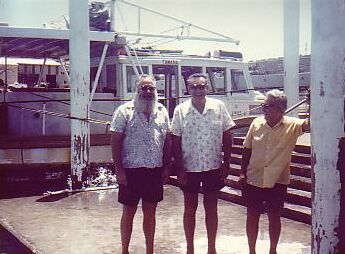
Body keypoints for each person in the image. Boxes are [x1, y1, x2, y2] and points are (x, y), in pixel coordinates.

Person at [171, 73, 235, 254]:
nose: (198, 90)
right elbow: (175, 139)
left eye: (202, 86)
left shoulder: (219, 107)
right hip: (189, 167)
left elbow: (227, 135)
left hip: (213, 166)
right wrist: (179, 168)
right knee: (189, 209)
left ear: (207, 88)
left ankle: (211, 248)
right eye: (194, 87)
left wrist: (226, 162)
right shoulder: (181, 110)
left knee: (211, 208)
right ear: (188, 89)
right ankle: (190, 248)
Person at [240, 89, 309, 254]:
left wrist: (311, 101)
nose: (264, 109)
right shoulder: (256, 123)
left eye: (268, 106)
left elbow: (314, 122)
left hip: (277, 180)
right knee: (252, 215)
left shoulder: (294, 125)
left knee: (274, 216)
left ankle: (273, 250)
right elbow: (246, 150)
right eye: (263, 105)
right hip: (253, 178)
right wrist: (242, 173)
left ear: (281, 109)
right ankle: (252, 251)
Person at [110, 74, 171, 254]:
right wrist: (118, 170)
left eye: (151, 88)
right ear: (137, 90)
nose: (148, 91)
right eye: (144, 88)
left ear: (155, 90)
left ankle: (149, 251)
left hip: (154, 171)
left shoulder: (162, 111)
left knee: (150, 214)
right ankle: (124, 250)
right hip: (131, 171)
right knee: (128, 213)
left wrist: (167, 166)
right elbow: (115, 141)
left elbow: (167, 141)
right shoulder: (124, 111)